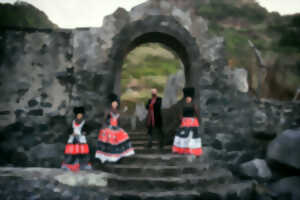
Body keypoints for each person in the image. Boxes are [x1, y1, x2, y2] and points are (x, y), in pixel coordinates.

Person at [95, 94, 135, 163]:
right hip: (110, 127)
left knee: (122, 138)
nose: (114, 104)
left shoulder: (118, 111)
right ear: (111, 104)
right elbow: (104, 120)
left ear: (117, 104)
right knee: (109, 143)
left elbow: (120, 118)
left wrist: (125, 111)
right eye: (113, 103)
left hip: (116, 128)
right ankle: (108, 158)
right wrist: (104, 126)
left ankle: (118, 158)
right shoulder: (108, 111)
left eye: (116, 103)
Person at [172, 87, 203, 156]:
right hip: (187, 121)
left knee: (190, 136)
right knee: (184, 135)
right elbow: (181, 113)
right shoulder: (184, 104)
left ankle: (190, 149)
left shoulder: (192, 104)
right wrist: (182, 120)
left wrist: (198, 120)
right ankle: (183, 149)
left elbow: (196, 112)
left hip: (191, 121)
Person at [61, 107, 92, 171]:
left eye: (80, 115)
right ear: (76, 115)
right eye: (78, 115)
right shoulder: (73, 122)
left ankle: (82, 166)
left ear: (82, 115)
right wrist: (71, 133)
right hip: (73, 139)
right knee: (72, 153)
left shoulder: (84, 122)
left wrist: (83, 133)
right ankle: (71, 165)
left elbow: (87, 130)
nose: (79, 116)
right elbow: (69, 130)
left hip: (81, 139)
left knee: (82, 153)